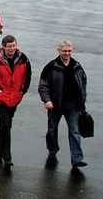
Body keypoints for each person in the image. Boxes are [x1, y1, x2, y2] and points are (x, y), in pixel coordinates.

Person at [0, 35, 31, 170]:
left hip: (14, 98)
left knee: (6, 124)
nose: (12, 49)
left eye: (14, 46)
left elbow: (28, 75)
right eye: (9, 46)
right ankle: (7, 155)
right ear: (3, 47)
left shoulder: (23, 59)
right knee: (6, 125)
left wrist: (22, 91)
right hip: (0, 99)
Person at [38, 39, 88, 168]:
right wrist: (47, 100)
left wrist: (83, 101)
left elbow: (83, 84)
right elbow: (43, 85)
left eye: (69, 51)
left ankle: (77, 158)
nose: (67, 53)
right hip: (55, 105)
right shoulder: (51, 66)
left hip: (73, 105)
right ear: (59, 50)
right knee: (52, 130)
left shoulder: (77, 66)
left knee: (75, 131)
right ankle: (52, 149)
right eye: (64, 51)